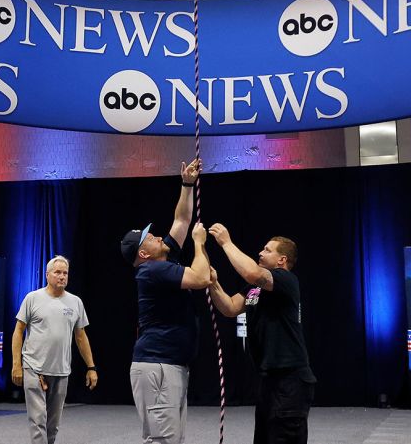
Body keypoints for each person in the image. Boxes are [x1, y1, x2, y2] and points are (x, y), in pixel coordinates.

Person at [119, 159, 211, 444]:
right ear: (143, 253)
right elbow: (200, 278)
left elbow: (182, 220)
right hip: (158, 366)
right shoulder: (152, 270)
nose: (158, 236)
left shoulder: (161, 259)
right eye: (149, 238)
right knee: (162, 440)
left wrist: (186, 184)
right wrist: (199, 244)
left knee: (170, 439)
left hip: (169, 364)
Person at [206, 225, 315, 444]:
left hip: (290, 379)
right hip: (269, 378)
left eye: (267, 250)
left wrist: (226, 242)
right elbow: (230, 307)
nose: (260, 253)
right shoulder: (255, 289)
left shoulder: (285, 280)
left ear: (282, 260)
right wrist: (213, 283)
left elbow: (252, 273)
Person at [11, 255, 98, 444]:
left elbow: (81, 336)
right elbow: (18, 332)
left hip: (61, 370)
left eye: (65, 273)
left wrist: (91, 367)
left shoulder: (75, 302)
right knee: (37, 421)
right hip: (33, 367)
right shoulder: (32, 298)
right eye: (57, 272)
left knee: (53, 424)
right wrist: (16, 365)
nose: (62, 276)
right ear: (47, 275)